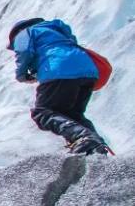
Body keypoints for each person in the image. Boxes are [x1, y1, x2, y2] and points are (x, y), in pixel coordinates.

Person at [7, 18, 110, 155]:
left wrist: (22, 75)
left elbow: (24, 52)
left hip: (59, 69)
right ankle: (97, 147)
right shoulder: (57, 31)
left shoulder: (25, 33)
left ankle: (83, 138)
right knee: (73, 115)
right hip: (87, 70)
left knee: (42, 113)